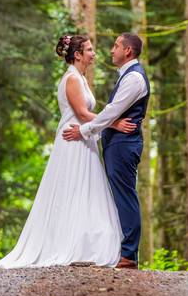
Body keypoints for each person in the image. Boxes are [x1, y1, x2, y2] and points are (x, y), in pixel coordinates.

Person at [0, 35, 136, 269]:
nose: (94, 53)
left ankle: (86, 243)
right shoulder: (72, 79)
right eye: (90, 50)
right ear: (77, 55)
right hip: (73, 140)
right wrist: (114, 124)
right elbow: (83, 114)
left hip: (84, 137)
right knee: (72, 190)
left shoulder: (81, 78)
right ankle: (66, 244)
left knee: (86, 191)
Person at [62, 33, 149, 269]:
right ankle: (120, 251)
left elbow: (112, 112)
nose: (111, 50)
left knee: (124, 196)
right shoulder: (125, 76)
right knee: (118, 196)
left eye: (116, 46)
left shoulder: (134, 79)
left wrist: (85, 130)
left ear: (128, 51)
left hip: (123, 145)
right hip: (115, 143)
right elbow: (110, 114)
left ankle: (129, 254)